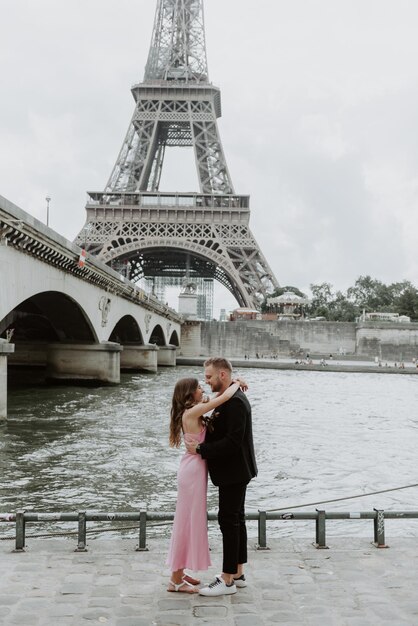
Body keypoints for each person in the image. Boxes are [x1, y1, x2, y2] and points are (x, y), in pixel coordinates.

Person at [166, 375, 246, 594]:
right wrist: (237, 383)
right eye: (199, 388)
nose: (203, 390)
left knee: (189, 521)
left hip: (195, 471)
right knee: (186, 522)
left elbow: (218, 398)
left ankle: (180, 573)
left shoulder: (194, 410)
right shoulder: (192, 413)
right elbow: (224, 397)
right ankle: (175, 580)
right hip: (192, 472)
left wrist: (232, 384)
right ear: (190, 394)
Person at [186, 357, 258, 597]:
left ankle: (227, 579)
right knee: (236, 518)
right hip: (237, 470)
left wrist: (201, 450)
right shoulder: (230, 397)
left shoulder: (235, 402)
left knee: (229, 520)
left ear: (223, 376)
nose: (206, 382)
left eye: (209, 377)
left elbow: (233, 442)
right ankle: (237, 573)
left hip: (234, 470)